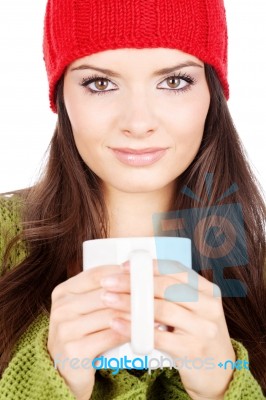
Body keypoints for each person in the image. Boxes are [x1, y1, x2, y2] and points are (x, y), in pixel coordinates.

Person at [0, 0, 265, 399]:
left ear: (212, 93)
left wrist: (221, 388)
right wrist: (47, 385)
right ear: (61, 97)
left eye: (174, 81)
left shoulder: (257, 274)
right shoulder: (6, 243)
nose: (138, 123)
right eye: (100, 83)